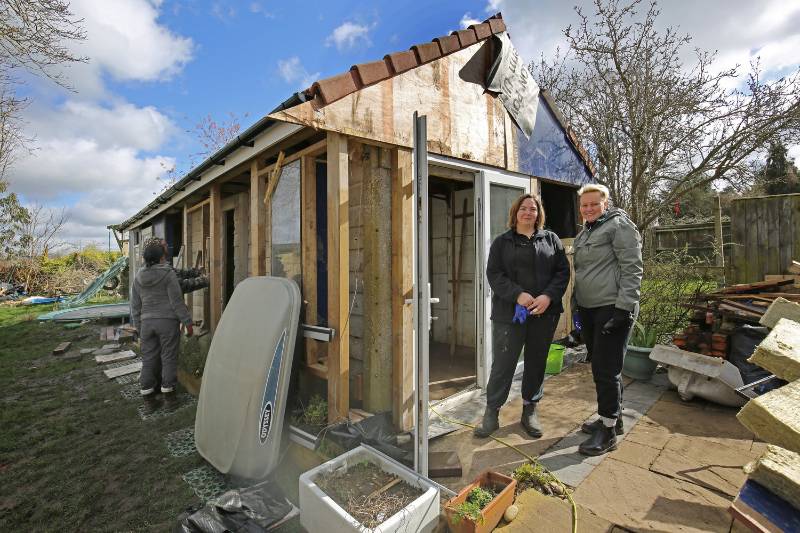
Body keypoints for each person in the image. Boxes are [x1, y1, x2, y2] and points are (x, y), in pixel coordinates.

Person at [474, 193, 570, 439]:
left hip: (544, 314)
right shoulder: (502, 242)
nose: (528, 213)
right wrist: (517, 294)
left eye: (533, 209)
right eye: (523, 208)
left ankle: (530, 410)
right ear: (515, 213)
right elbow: (494, 274)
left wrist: (547, 297)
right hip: (509, 315)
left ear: (539, 214)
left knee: (537, 362)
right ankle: (492, 412)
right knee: (503, 364)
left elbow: (562, 272)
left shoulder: (551, 240)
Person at [573, 184, 643, 456]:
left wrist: (623, 309)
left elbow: (632, 268)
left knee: (606, 369)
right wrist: (576, 307)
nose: (588, 208)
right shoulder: (585, 232)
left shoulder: (619, 226)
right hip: (589, 309)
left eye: (594, 204)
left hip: (612, 307)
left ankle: (608, 432)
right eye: (584, 205)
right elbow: (583, 272)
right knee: (602, 366)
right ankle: (614, 418)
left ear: (606, 203)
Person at [131, 237, 194, 412]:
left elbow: (135, 306)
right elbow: (176, 302)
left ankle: (149, 400)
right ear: (161, 257)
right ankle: (169, 399)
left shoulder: (138, 277)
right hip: (167, 322)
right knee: (168, 358)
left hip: (146, 324)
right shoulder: (168, 274)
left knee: (148, 360)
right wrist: (187, 323)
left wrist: (139, 327)